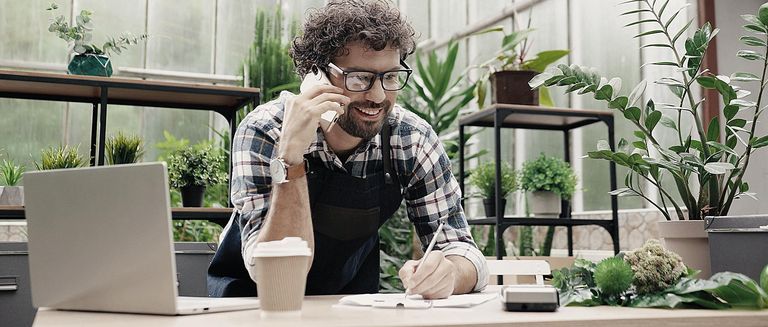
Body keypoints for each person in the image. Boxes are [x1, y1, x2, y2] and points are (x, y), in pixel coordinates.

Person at [208, 0, 488, 299]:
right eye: (360, 78)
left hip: (347, 305)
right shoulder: (266, 130)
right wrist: (290, 157)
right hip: (252, 304)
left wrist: (450, 273)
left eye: (390, 77)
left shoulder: (411, 139)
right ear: (316, 76)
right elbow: (274, 272)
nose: (379, 96)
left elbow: (462, 249)